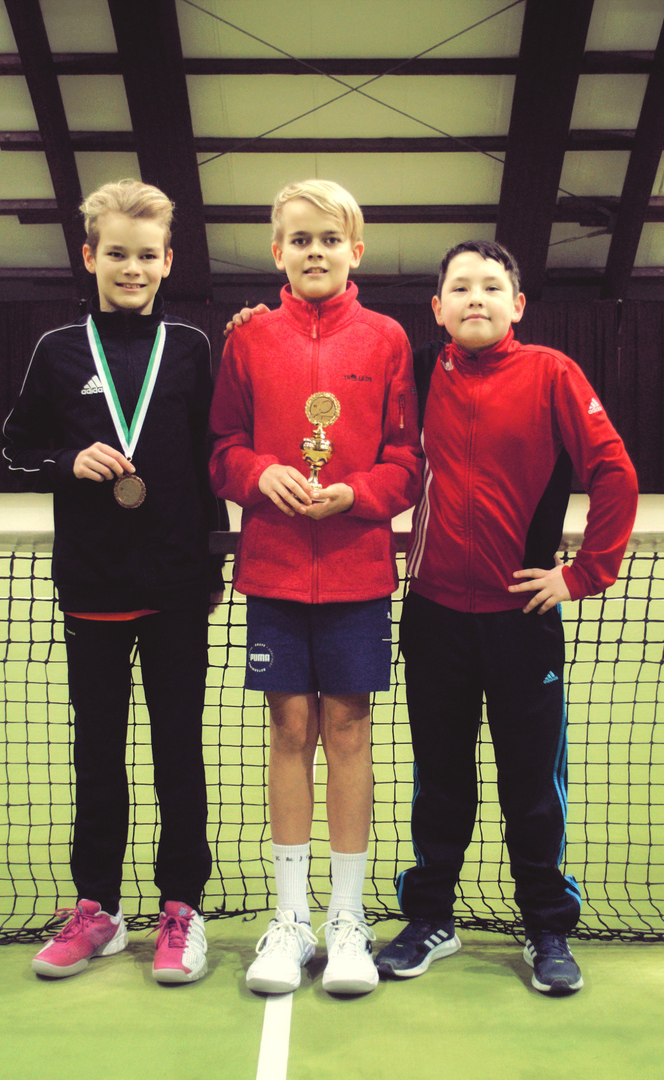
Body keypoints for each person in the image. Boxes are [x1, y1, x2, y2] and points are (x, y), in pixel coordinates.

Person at [373, 240, 638, 995]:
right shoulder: (416, 373)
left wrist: (582, 574)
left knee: (532, 785)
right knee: (440, 781)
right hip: (432, 618)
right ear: (438, 308)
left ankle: (547, 927)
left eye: (491, 286)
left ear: (517, 305)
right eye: (460, 287)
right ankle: (431, 919)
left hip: (522, 621)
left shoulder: (553, 373)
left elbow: (615, 473)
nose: (476, 298)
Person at [3, 179, 225, 984]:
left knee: (179, 756)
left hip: (176, 591)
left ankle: (181, 909)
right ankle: (96, 908)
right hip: (92, 587)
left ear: (167, 262)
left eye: (147, 256)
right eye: (117, 254)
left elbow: (209, 464)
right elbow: (16, 447)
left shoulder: (191, 347)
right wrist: (67, 461)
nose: (132, 268)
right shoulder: (58, 349)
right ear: (90, 256)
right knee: (97, 756)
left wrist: (211, 565)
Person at [209, 179, 422, 996]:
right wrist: (259, 474)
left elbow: (406, 462)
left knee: (350, 731)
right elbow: (223, 446)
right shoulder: (247, 339)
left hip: (356, 570)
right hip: (271, 568)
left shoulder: (387, 339)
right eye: (299, 239)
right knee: (288, 729)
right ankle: (291, 918)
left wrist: (355, 494)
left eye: (330, 238)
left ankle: (346, 919)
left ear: (355, 251)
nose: (314, 251)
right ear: (277, 253)